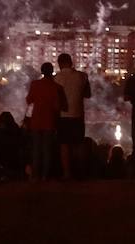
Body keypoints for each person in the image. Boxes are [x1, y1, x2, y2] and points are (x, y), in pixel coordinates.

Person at [25, 62, 67, 182]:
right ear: (52, 71)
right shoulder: (57, 87)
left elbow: (29, 100)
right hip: (49, 121)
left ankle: (35, 176)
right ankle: (45, 175)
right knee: (47, 150)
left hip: (36, 121)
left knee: (36, 149)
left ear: (42, 71)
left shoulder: (35, 84)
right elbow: (58, 106)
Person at [54, 53, 92, 181]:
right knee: (78, 144)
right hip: (78, 115)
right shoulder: (82, 76)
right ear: (71, 62)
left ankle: (67, 173)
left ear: (60, 64)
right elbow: (88, 94)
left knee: (64, 145)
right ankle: (81, 172)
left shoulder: (56, 78)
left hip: (63, 116)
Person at [0, 112, 24, 181]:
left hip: (4, 154)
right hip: (9, 153)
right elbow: (20, 139)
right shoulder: (14, 126)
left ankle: (4, 175)